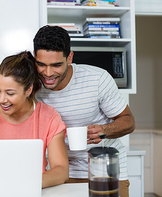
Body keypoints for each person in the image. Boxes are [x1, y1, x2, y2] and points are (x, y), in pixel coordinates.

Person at [32, 25, 135, 197]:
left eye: (56, 65)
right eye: (41, 64)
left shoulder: (97, 79)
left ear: (70, 57)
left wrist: (104, 131)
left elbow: (129, 121)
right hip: (60, 171)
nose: (48, 73)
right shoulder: (31, 85)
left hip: (105, 169)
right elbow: (4, 99)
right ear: (35, 57)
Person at [0, 51, 69, 188]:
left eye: (10, 93)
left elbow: (61, 170)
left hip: (32, 191)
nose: (2, 99)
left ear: (28, 90)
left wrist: (26, 184)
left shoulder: (49, 117)